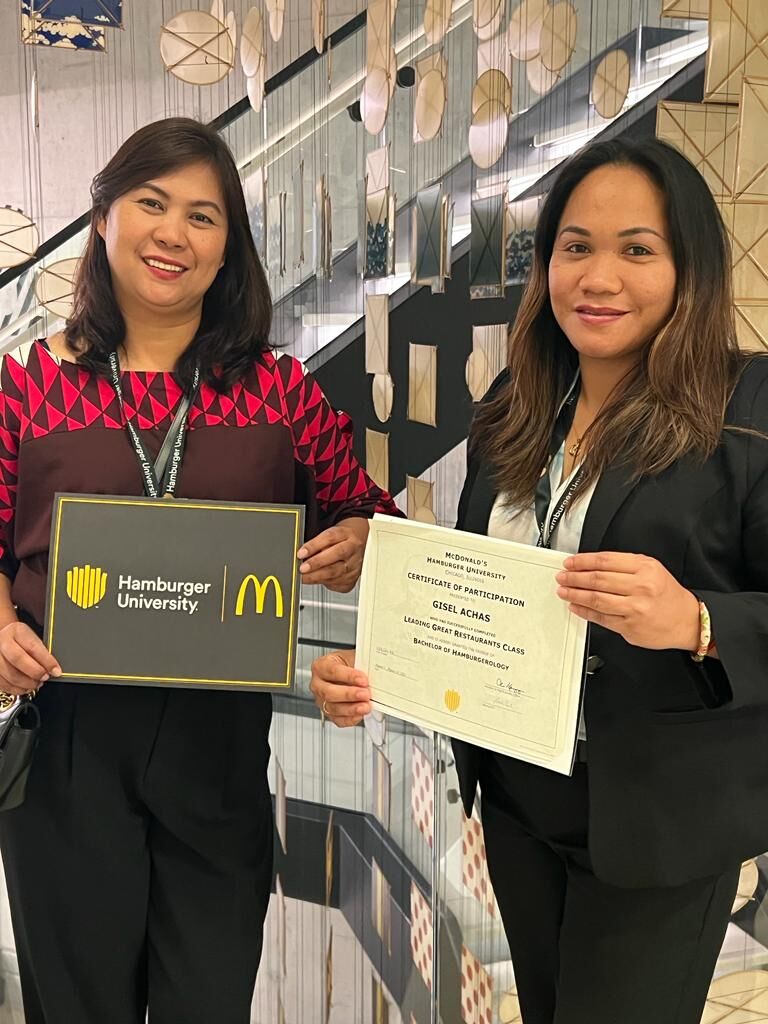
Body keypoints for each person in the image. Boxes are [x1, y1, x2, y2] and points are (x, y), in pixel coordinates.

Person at [310, 137, 768, 1023]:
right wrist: (380, 664)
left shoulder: (746, 408)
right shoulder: (512, 412)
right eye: (575, 247)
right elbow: (486, 596)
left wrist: (699, 621)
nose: (599, 277)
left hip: (658, 819)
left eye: (638, 249)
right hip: (520, 799)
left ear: (690, 267)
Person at [0, 116, 399, 1024]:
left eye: (204, 215)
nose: (172, 233)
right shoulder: (29, 388)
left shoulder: (278, 392)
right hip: (64, 740)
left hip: (219, 748)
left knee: (208, 1002)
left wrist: (364, 543)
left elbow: (374, 520)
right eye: (151, 203)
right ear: (103, 219)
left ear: (229, 252)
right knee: (77, 1007)